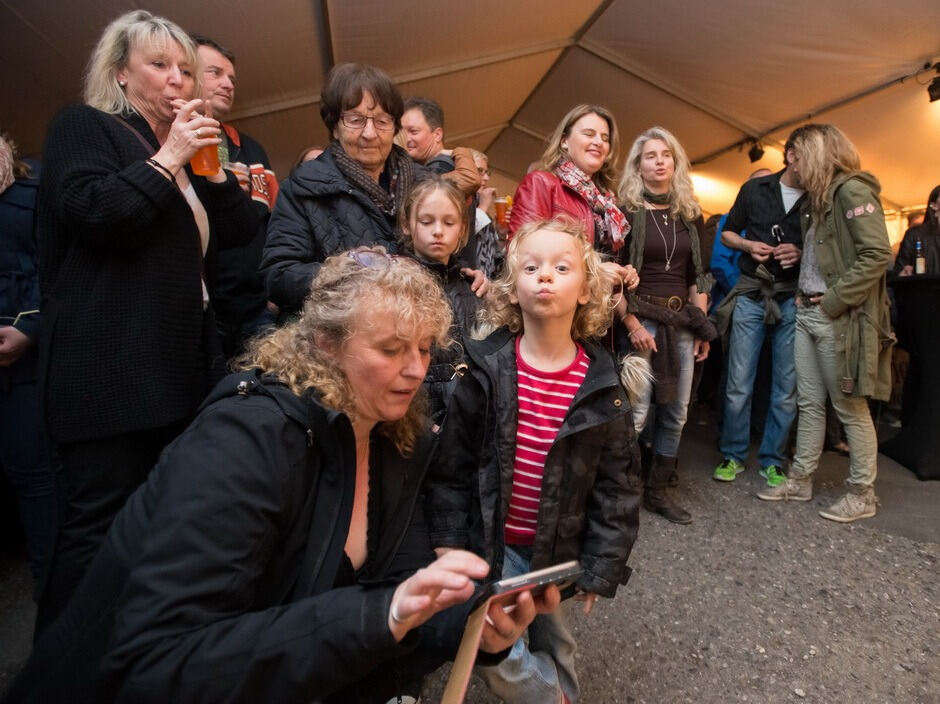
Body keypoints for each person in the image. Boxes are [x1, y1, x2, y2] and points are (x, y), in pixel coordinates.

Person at [6, 248, 550, 704]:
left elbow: (393, 606)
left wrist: (475, 629)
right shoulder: (246, 441)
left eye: (425, 349)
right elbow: (156, 662)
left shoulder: (395, 436)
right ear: (324, 344)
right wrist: (376, 616)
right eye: (390, 350)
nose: (415, 370)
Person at [35, 10, 257, 630]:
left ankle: (134, 656)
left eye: (186, 69)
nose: (177, 81)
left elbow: (241, 233)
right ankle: (60, 674)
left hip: (176, 370)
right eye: (159, 65)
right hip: (108, 374)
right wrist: (170, 158)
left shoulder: (184, 155)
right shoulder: (86, 127)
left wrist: (208, 172)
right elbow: (94, 210)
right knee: (95, 530)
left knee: (160, 525)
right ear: (120, 74)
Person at [426, 217, 646, 704]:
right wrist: (445, 539)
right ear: (512, 288)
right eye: (531, 266)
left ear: (587, 290)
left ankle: (562, 690)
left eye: (561, 267)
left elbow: (619, 485)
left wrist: (601, 566)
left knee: (554, 636)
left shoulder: (603, 384)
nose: (545, 275)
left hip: (557, 551)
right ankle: (551, 698)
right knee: (491, 644)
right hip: (491, 542)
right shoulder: (484, 370)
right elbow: (451, 465)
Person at [261, 66, 481, 318]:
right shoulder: (303, 187)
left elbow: (451, 257)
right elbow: (277, 276)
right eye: (355, 120)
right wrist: (351, 271)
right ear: (334, 127)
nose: (369, 133)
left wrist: (465, 276)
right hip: (341, 337)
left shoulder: (424, 184)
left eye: (382, 121)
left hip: (419, 335)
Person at [757, 124, 894, 523]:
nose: (790, 162)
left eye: (795, 154)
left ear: (815, 152)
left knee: (850, 407)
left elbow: (876, 254)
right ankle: (800, 479)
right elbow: (832, 254)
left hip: (837, 315)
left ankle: (862, 493)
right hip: (808, 313)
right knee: (809, 404)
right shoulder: (819, 199)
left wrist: (833, 301)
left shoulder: (852, 190)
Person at [617, 126, 716, 525]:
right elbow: (613, 279)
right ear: (637, 166)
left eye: (666, 155)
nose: (659, 161)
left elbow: (699, 276)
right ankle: (622, 491)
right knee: (637, 412)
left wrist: (702, 325)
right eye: (650, 156)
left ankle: (657, 491)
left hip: (683, 322)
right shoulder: (625, 213)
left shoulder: (689, 215)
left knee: (677, 412)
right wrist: (630, 321)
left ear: (675, 164)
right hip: (642, 318)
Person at [712, 137, 807, 487]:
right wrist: (749, 244)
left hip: (792, 298)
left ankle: (772, 459)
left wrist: (800, 252)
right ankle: (733, 455)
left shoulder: (817, 198)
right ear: (792, 155)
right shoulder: (754, 190)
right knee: (739, 382)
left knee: (785, 386)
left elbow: (823, 247)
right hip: (752, 294)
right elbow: (727, 235)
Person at [193, 34, 280, 358]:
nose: (228, 84)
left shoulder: (251, 148)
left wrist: (275, 286)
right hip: (199, 310)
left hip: (256, 309)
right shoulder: (166, 144)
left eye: (231, 77)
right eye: (215, 73)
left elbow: (275, 223)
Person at [508, 105, 639, 297]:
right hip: (554, 311)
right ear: (564, 142)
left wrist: (624, 273)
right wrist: (596, 273)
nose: (598, 142)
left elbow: (602, 258)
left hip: (595, 313)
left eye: (605, 138)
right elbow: (523, 258)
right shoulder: (542, 183)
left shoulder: (607, 202)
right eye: (589, 134)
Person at [0, 130, 54, 580]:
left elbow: (55, 267)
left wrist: (29, 331)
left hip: (26, 362)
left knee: (36, 477)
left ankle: (50, 594)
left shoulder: (33, 186)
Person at [398, 175, 481, 423]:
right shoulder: (396, 284)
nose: (437, 231)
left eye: (449, 223)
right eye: (426, 221)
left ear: (462, 229)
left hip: (465, 416)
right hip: (415, 417)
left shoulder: (470, 285)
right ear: (407, 224)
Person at [894, 184, 940, 276]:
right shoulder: (915, 234)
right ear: (933, 205)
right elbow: (898, 271)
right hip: (926, 288)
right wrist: (903, 272)